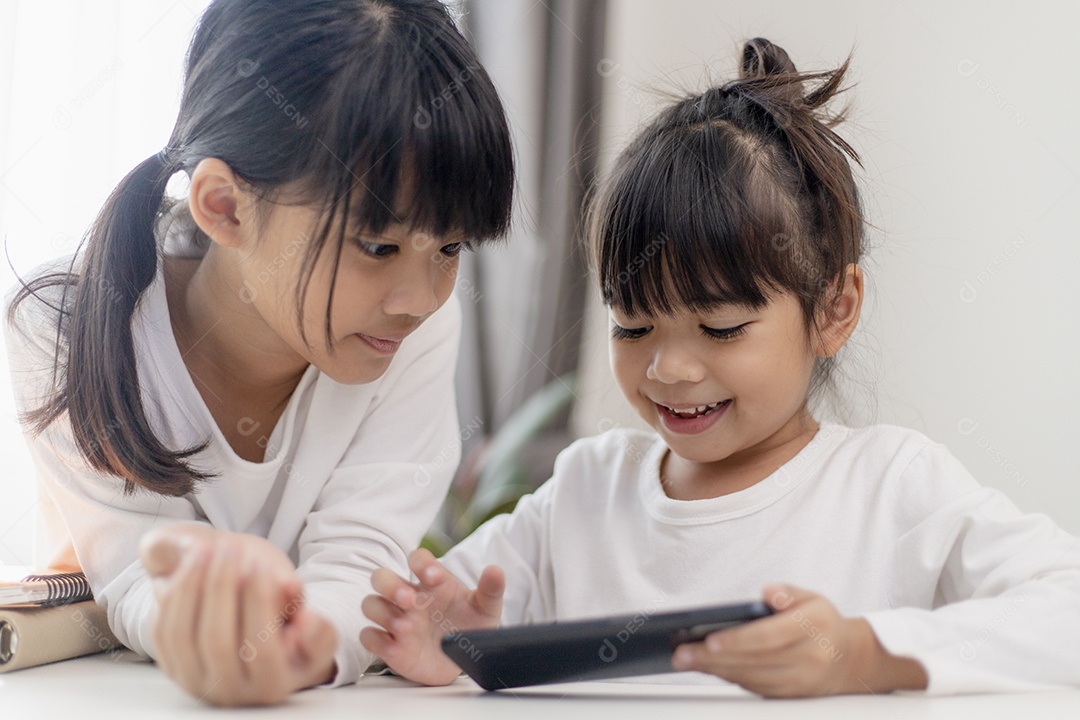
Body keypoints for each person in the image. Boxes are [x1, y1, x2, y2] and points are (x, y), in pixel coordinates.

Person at [358, 38, 1080, 697]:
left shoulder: (891, 486)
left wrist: (864, 652)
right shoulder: (585, 492)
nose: (669, 369)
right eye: (632, 326)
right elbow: (434, 620)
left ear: (833, 308)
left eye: (722, 328)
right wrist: (435, 647)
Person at [4, 0, 514, 707]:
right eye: (377, 246)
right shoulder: (61, 325)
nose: (420, 298)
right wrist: (208, 636)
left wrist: (301, 650)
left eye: (450, 247)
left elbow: (358, 566)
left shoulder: (416, 328)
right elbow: (133, 577)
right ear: (225, 206)